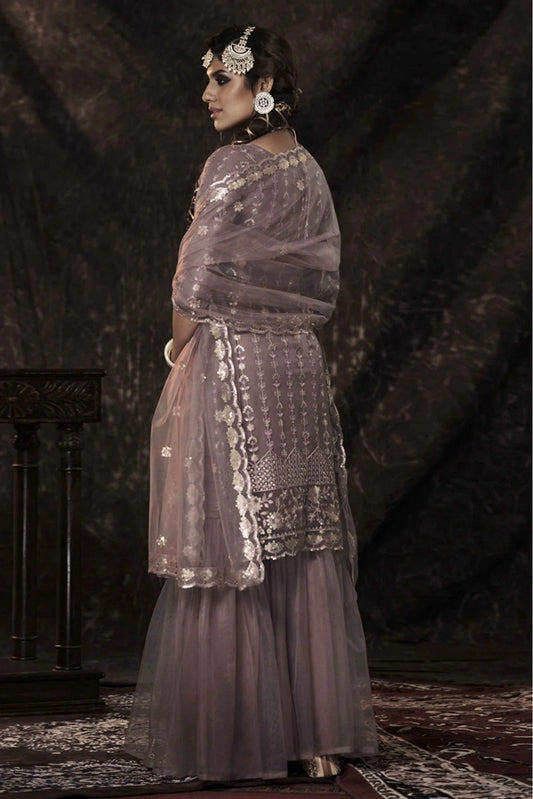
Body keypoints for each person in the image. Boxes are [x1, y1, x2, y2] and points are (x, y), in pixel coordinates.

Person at [124, 25, 377, 783]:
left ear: (261, 87)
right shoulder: (310, 172)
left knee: (233, 537)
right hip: (296, 368)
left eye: (219, 79)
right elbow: (319, 286)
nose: (206, 94)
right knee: (297, 535)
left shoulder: (229, 166)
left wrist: (177, 352)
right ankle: (316, 736)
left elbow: (193, 284)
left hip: (233, 365)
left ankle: (236, 735)